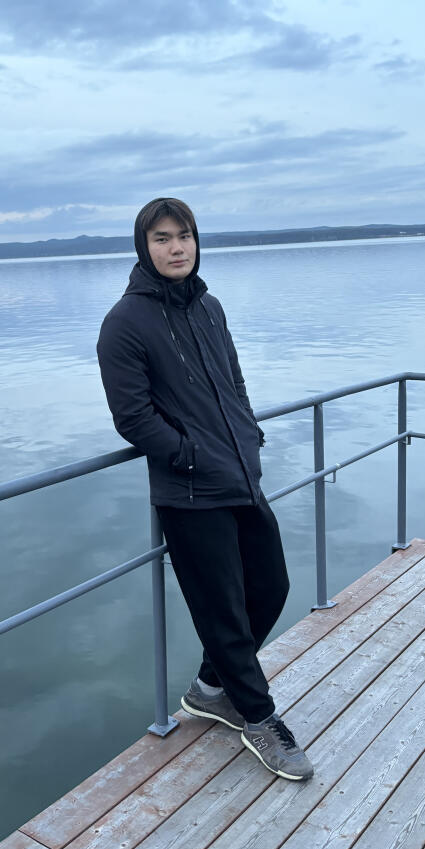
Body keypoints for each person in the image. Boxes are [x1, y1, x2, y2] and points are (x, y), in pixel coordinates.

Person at [97, 197, 313, 781]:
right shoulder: (124, 323)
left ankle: (211, 686)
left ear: (197, 240)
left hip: (240, 474)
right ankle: (258, 717)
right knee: (222, 612)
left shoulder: (209, 308)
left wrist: (248, 433)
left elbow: (234, 381)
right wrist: (188, 455)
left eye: (184, 236)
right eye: (162, 238)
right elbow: (133, 418)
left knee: (271, 586)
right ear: (144, 247)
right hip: (190, 492)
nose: (176, 248)